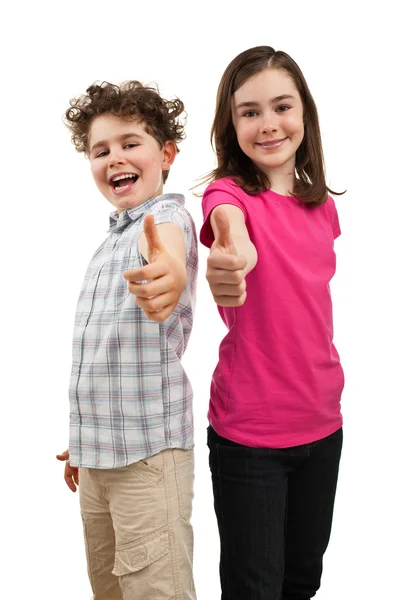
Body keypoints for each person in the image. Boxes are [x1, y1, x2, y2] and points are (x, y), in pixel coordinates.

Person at [199, 46, 345, 600]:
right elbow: (224, 220)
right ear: (231, 123)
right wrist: (233, 249)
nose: (268, 125)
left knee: (302, 579)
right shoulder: (231, 196)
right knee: (254, 588)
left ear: (303, 113)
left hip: (323, 421)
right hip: (250, 437)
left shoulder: (323, 208)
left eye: (281, 106)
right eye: (249, 112)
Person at [56, 80, 197, 600]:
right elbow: (103, 354)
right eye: (101, 149)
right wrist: (82, 438)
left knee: (156, 589)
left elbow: (166, 252)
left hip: (146, 458)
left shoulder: (164, 219)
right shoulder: (107, 242)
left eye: (130, 143)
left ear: (165, 154)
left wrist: (169, 273)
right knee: (110, 588)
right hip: (97, 460)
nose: (115, 157)